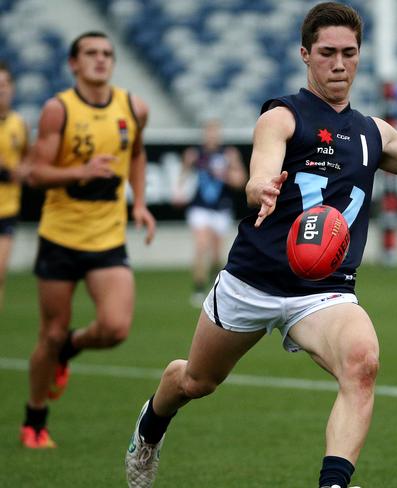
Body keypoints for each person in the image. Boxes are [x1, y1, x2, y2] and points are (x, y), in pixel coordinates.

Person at [124, 3, 397, 488]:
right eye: (327, 53)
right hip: (253, 281)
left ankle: (332, 484)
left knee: (363, 363)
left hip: (323, 290)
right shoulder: (282, 115)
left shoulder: (373, 132)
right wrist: (260, 188)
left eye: (349, 53)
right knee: (196, 381)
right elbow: (261, 167)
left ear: (360, 56)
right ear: (305, 55)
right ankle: (149, 432)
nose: (339, 63)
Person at [20, 31, 156, 449]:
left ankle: (71, 348)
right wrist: (78, 172)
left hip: (106, 238)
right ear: (73, 64)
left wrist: (139, 203)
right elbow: (35, 173)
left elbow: (135, 153)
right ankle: (35, 419)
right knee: (50, 332)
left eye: (107, 53)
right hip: (60, 237)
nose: (100, 60)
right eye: (91, 54)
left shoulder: (133, 107)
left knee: (115, 328)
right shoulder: (58, 110)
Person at [175, 119, 246, 307]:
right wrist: (179, 192)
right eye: (209, 132)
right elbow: (182, 176)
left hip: (221, 208)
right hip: (199, 207)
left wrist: (224, 174)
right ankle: (198, 288)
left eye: (215, 132)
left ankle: (216, 288)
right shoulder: (194, 154)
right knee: (201, 245)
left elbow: (240, 181)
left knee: (216, 254)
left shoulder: (229, 154)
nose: (212, 136)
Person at [0, 61, 30, 310]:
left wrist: (23, 170)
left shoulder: (19, 123)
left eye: (5, 84)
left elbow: (27, 158)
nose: (2, 90)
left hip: (7, 208)